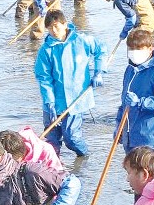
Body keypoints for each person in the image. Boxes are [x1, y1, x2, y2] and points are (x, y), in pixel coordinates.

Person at [34, 9, 107, 158]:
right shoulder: (46, 50)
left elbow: (101, 50)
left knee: (71, 138)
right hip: (53, 102)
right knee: (51, 142)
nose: (54, 31)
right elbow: (44, 78)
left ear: (65, 24)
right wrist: (49, 102)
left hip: (76, 100)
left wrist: (99, 72)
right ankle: (53, 171)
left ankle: (84, 157)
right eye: (50, 28)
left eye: (57, 26)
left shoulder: (82, 40)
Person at [115, 29, 154, 156]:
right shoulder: (130, 70)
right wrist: (119, 125)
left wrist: (139, 102)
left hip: (153, 137)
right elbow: (124, 102)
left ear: (150, 48)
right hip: (131, 135)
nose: (134, 52)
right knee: (134, 174)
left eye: (139, 49)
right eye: (131, 49)